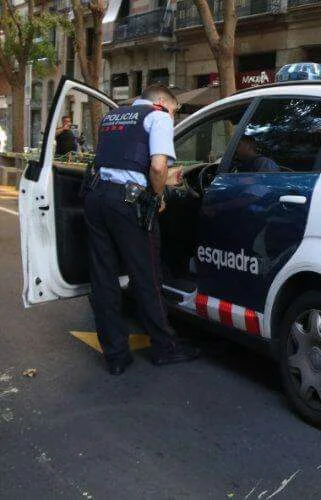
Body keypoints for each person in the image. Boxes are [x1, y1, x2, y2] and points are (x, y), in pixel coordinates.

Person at [84, 84, 199, 375]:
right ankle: (164, 347)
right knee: (146, 274)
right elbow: (158, 168)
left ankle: (116, 356)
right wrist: (157, 197)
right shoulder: (158, 116)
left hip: (96, 198)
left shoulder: (112, 116)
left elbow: (119, 159)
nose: (172, 118)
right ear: (161, 103)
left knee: (104, 279)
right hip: (128, 204)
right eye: (173, 111)